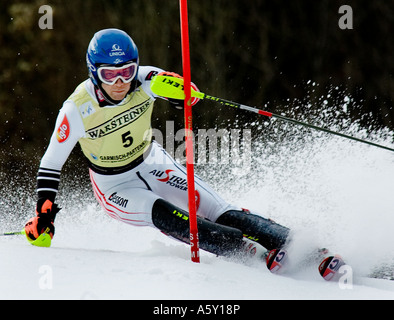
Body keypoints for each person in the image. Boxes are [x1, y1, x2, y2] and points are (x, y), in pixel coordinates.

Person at [24, 28, 293, 271]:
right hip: (115, 185)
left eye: (126, 71)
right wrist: (43, 212)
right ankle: (247, 253)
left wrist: (183, 94)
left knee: (215, 208)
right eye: (109, 74)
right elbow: (51, 162)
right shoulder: (76, 109)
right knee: (167, 215)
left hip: (152, 161)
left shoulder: (143, 79)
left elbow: (184, 90)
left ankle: (293, 243)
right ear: (93, 72)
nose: (119, 82)